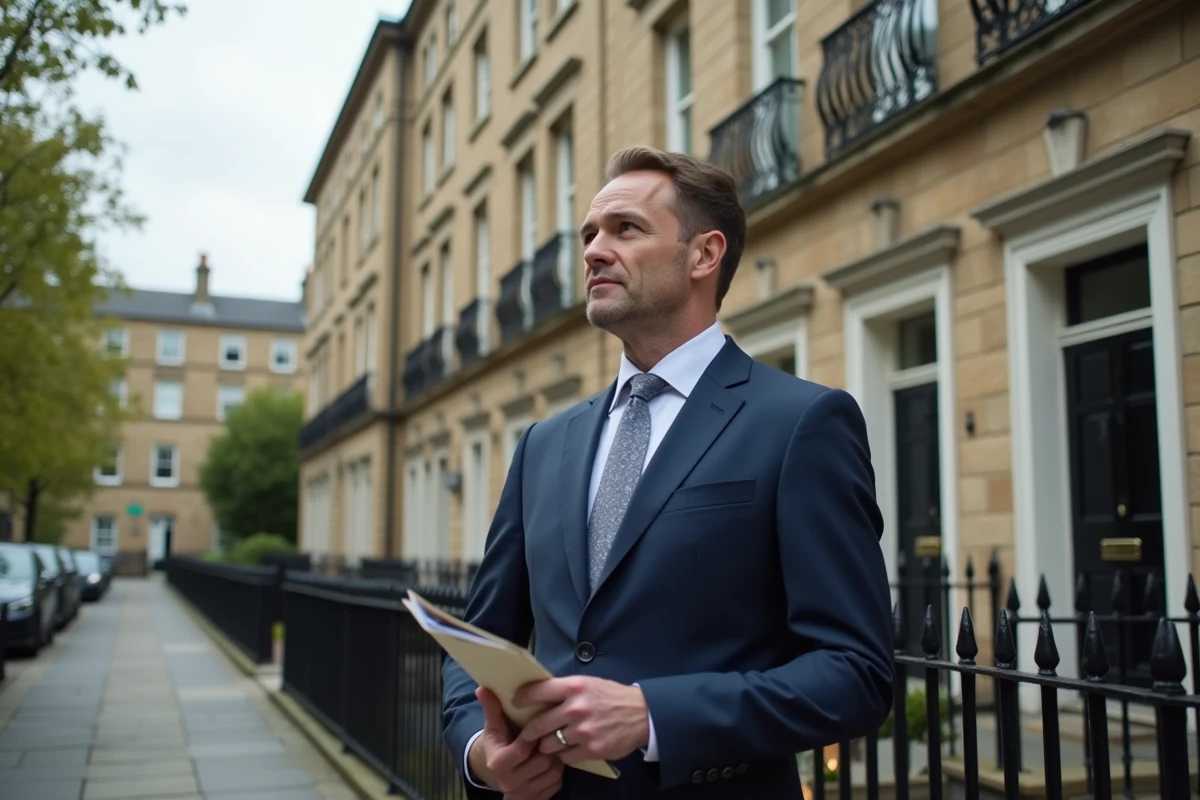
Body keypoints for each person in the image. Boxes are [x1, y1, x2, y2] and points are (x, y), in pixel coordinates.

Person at [442, 145, 894, 799]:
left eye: (625, 229)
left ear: (703, 255)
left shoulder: (802, 423)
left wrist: (653, 715)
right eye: (590, 235)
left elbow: (856, 675)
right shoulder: (544, 443)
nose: (594, 250)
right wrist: (482, 752)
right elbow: (479, 641)